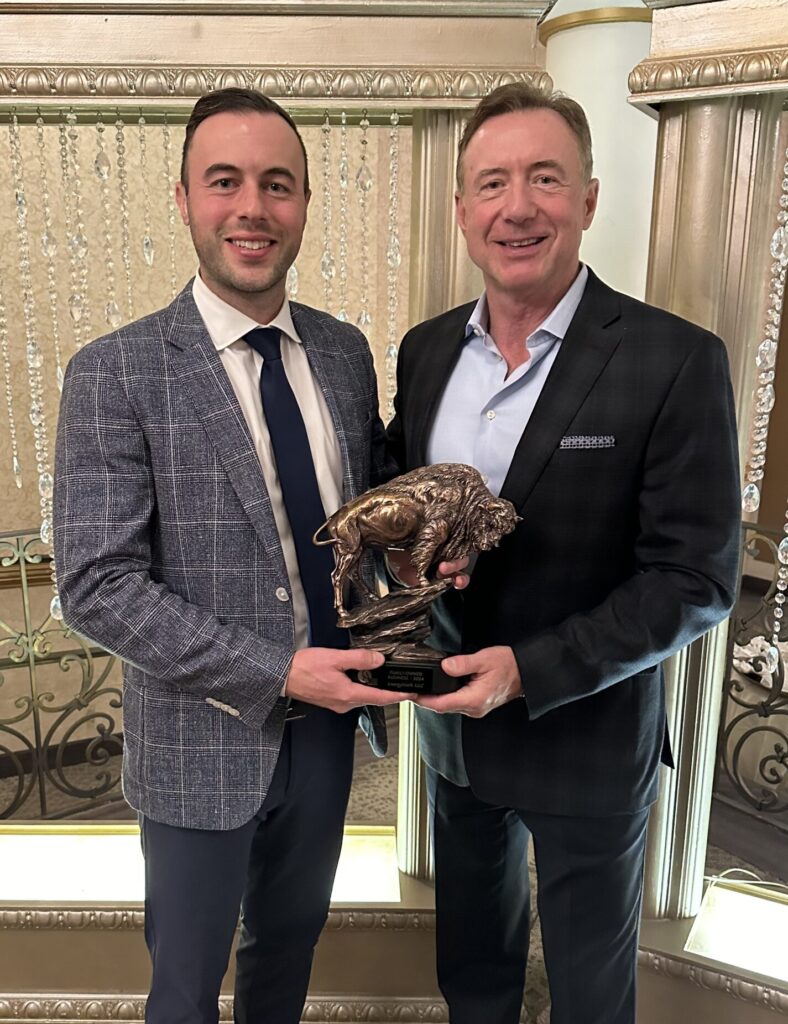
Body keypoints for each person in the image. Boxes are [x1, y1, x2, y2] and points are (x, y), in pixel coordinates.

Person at [386, 82, 741, 1024]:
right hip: (452, 734)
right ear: (462, 210)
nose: (518, 206)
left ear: (588, 197)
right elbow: (406, 508)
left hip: (587, 736)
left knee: (590, 992)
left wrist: (528, 671)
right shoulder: (424, 355)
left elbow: (695, 578)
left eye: (546, 177)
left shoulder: (674, 359)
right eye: (492, 182)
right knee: (473, 976)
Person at [53, 88, 409, 1024]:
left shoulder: (341, 353)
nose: (253, 207)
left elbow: (363, 522)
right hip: (198, 740)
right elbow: (96, 584)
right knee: (184, 990)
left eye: (277, 184)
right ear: (183, 200)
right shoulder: (115, 371)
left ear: (301, 207)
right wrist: (277, 672)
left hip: (330, 741)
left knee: (286, 965)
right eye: (225, 182)